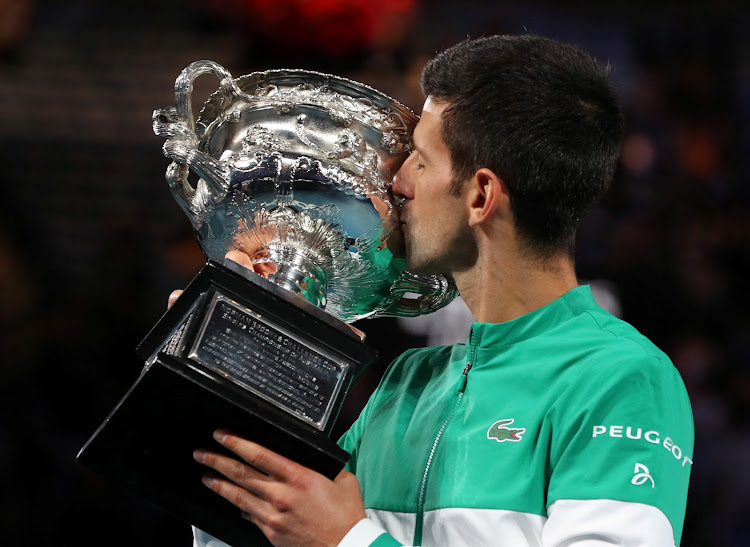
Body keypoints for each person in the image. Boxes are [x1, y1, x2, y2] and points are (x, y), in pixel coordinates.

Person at [188, 34, 694, 546]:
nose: (396, 182)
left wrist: (349, 542)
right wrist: (235, 365)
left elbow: (336, 538)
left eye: (421, 159)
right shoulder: (409, 384)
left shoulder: (619, 379)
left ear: (480, 196)